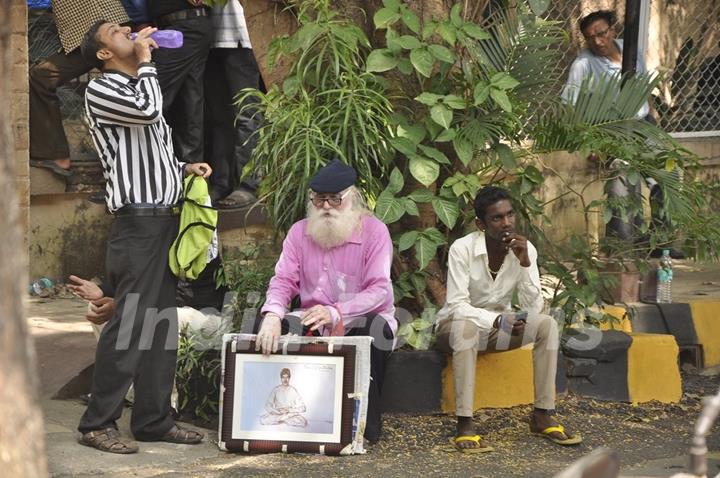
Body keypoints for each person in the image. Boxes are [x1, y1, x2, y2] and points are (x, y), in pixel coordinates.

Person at [72, 20, 212, 454]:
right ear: (103, 54)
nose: (129, 32)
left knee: (160, 325)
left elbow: (151, 147)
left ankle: (153, 420)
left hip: (163, 221)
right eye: (117, 31)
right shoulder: (101, 89)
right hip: (138, 225)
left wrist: (183, 170)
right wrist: (148, 58)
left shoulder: (138, 86)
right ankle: (97, 423)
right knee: (131, 324)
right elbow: (149, 111)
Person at [255, 159, 396, 443]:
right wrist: (272, 315)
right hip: (311, 318)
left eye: (335, 199)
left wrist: (336, 312)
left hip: (360, 317)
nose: (327, 207)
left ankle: (365, 427)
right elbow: (283, 281)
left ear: (352, 198)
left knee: (375, 329)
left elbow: (380, 289)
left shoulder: (375, 231)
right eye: (319, 200)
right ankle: (270, 425)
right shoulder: (299, 232)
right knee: (267, 323)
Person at [434, 186, 582, 453]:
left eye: (510, 215)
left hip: (497, 329)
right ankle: (465, 424)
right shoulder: (462, 249)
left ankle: (542, 415)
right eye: (497, 218)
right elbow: (456, 305)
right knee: (466, 328)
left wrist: (525, 264)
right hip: (455, 328)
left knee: (546, 325)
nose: (507, 223)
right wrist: (496, 321)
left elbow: (533, 308)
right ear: (481, 223)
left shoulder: (525, 249)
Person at [562, 10, 683, 258]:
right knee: (622, 178)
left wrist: (653, 119)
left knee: (670, 172)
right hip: (611, 132)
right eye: (590, 37)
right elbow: (567, 109)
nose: (597, 41)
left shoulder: (629, 49)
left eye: (602, 33)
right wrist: (590, 143)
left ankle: (661, 244)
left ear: (612, 30)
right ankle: (624, 250)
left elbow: (641, 88)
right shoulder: (582, 65)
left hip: (643, 125)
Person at [29, 0, 135, 177]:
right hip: (97, 26)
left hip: (101, 28)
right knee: (125, 91)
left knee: (41, 78)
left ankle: (56, 155)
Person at [204, 1, 262, 208]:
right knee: (219, 118)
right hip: (211, 39)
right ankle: (221, 183)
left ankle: (250, 184)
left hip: (242, 38)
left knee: (247, 114)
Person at [148, 0, 212, 165]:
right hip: (179, 25)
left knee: (150, 101)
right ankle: (190, 176)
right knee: (189, 103)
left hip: (183, 26)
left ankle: (147, 173)